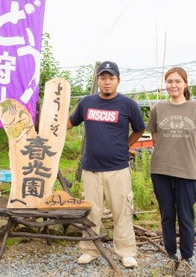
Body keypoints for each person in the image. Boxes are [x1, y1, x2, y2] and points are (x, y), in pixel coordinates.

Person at [67, 61, 145, 268]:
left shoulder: (128, 105)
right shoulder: (86, 103)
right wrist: (49, 124)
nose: (107, 82)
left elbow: (139, 129)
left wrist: (124, 146)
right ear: (98, 80)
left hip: (118, 169)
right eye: (103, 78)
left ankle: (126, 252)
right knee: (91, 212)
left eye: (111, 78)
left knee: (122, 211)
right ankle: (89, 250)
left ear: (118, 81)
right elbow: (70, 122)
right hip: (91, 169)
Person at [147, 67, 196, 275]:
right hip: (161, 169)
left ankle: (186, 257)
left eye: (177, 81)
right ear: (165, 84)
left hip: (187, 170)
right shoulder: (158, 108)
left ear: (185, 84)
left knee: (185, 216)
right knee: (167, 215)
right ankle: (171, 255)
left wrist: (188, 154)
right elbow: (156, 137)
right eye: (169, 81)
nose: (173, 85)